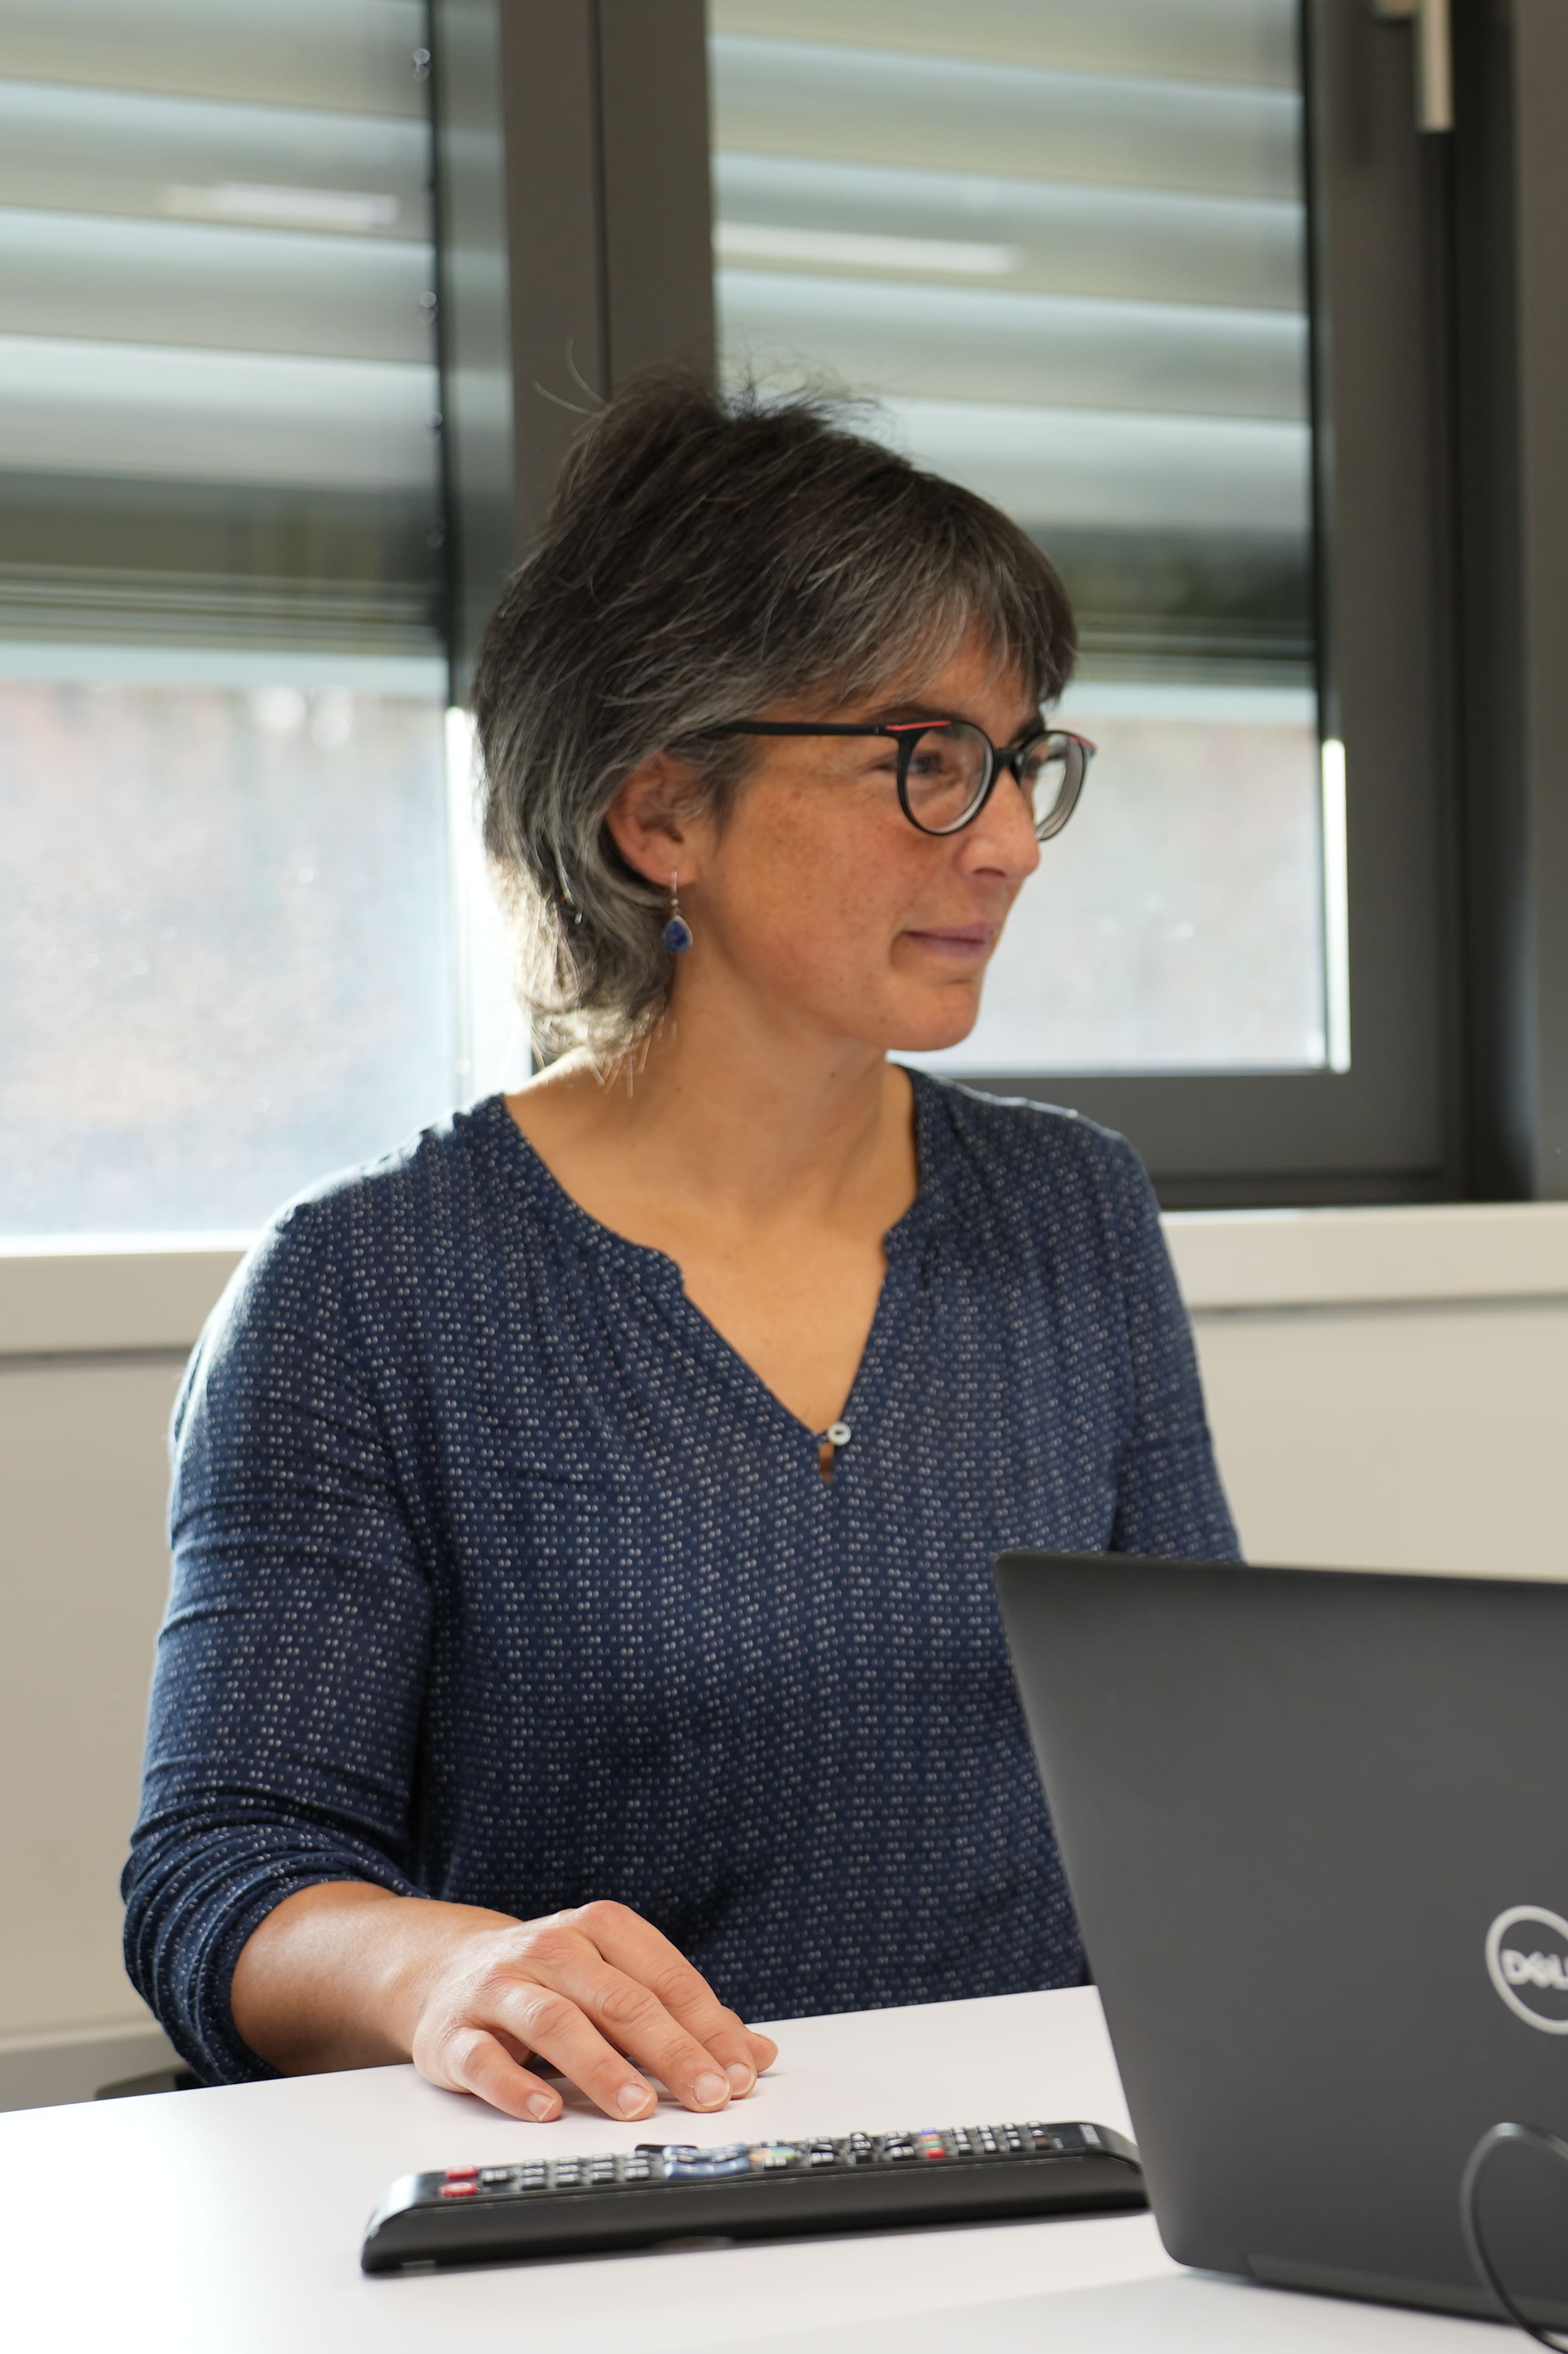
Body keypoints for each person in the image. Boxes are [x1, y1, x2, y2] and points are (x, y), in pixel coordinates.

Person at [121, 378, 1238, 2127]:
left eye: (1022, 763)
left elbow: (1214, 1763)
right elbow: (223, 1878)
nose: (1010, 842)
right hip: (629, 2192)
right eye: (924, 764)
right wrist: (443, 1971)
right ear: (661, 816)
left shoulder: (1075, 1212)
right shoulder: (364, 1295)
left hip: (1062, 2170)